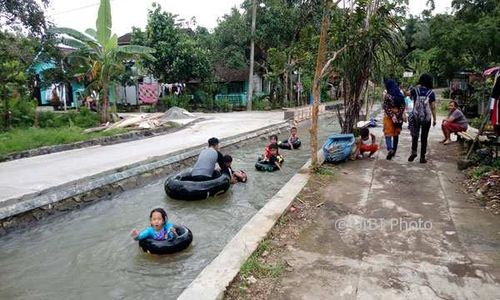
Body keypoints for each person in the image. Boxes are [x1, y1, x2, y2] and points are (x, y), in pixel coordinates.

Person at [409, 73, 437, 163]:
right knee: (424, 137)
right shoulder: (431, 93)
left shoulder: (415, 91)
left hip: (416, 116)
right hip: (426, 118)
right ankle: (422, 157)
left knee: (415, 135)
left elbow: (408, 95)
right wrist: (435, 119)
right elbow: (433, 107)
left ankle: (414, 151)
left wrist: (415, 87)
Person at [383, 79, 405, 160]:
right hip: (398, 117)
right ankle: (394, 151)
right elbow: (403, 106)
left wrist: (392, 115)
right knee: (396, 134)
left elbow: (385, 107)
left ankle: (390, 149)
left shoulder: (387, 96)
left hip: (388, 117)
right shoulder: (400, 95)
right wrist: (398, 115)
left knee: (387, 133)